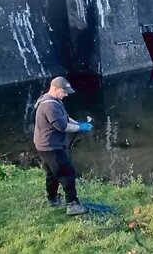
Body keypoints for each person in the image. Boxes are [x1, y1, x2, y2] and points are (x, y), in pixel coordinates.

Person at [33, 76, 93, 216]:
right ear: (55, 89)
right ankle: (72, 205)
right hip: (51, 146)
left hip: (43, 145)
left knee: (53, 173)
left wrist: (78, 124)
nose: (66, 94)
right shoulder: (50, 105)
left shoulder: (52, 100)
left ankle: (52, 199)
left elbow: (64, 118)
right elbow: (62, 126)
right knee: (66, 172)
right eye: (64, 92)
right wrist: (79, 128)